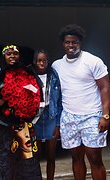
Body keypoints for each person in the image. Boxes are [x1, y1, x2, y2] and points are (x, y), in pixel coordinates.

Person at [52, 24, 110, 180]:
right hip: (69, 118)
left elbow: (105, 88)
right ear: (63, 44)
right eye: (67, 42)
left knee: (95, 158)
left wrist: (105, 116)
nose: (71, 45)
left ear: (80, 42)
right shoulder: (56, 66)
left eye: (74, 42)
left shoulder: (93, 61)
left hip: (91, 116)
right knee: (76, 158)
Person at [0, 44, 42, 180]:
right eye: (9, 54)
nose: (12, 56)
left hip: (23, 125)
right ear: (4, 56)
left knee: (27, 159)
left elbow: (37, 92)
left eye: (15, 54)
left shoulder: (27, 71)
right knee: (5, 161)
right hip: (2, 125)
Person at [30, 50, 62, 180]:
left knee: (51, 155)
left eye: (44, 61)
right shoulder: (29, 75)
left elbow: (59, 101)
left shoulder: (54, 75)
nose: (42, 63)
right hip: (35, 118)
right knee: (35, 155)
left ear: (48, 62)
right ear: (34, 62)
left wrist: (58, 124)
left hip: (51, 116)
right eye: (39, 61)